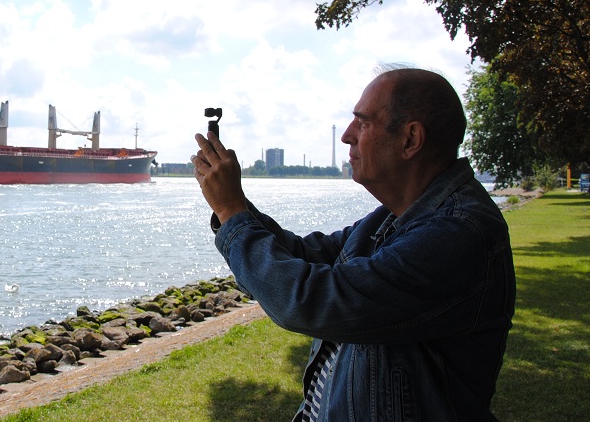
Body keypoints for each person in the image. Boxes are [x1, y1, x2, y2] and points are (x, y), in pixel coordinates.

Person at [192, 66, 515, 421]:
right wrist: (232, 207)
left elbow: (310, 301)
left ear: (410, 139)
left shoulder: (457, 234)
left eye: (362, 123)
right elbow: (305, 257)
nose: (347, 136)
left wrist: (232, 210)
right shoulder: (394, 219)